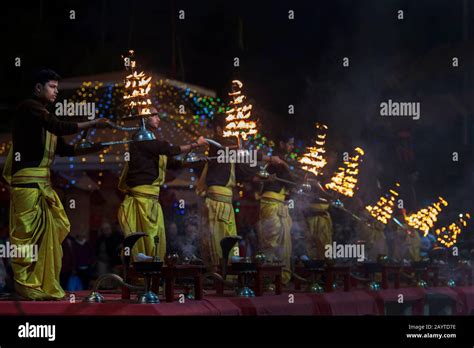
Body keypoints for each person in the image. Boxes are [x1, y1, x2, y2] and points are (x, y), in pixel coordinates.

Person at [2, 69, 112, 300]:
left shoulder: (44, 118)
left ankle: (42, 286)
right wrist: (91, 122)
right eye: (52, 87)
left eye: (57, 88)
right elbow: (59, 126)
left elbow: (65, 150)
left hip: (43, 185)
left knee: (51, 234)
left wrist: (95, 147)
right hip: (28, 185)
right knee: (26, 237)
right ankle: (25, 286)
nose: (56, 92)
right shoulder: (29, 108)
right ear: (38, 88)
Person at [117, 106, 208, 261]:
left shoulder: (152, 142)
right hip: (141, 201)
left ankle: (153, 276)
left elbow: (174, 163)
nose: (158, 119)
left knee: (156, 240)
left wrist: (195, 161)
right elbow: (169, 149)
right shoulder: (141, 138)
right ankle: (142, 277)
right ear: (144, 119)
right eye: (154, 115)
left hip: (152, 201)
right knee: (145, 241)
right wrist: (195, 145)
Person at [258, 133, 296, 284]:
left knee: (282, 243)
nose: (292, 147)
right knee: (271, 241)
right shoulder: (276, 160)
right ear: (281, 143)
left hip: (279, 204)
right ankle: (270, 278)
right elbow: (291, 182)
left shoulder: (283, 160)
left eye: (292, 144)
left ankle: (278, 278)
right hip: (271, 205)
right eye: (289, 144)